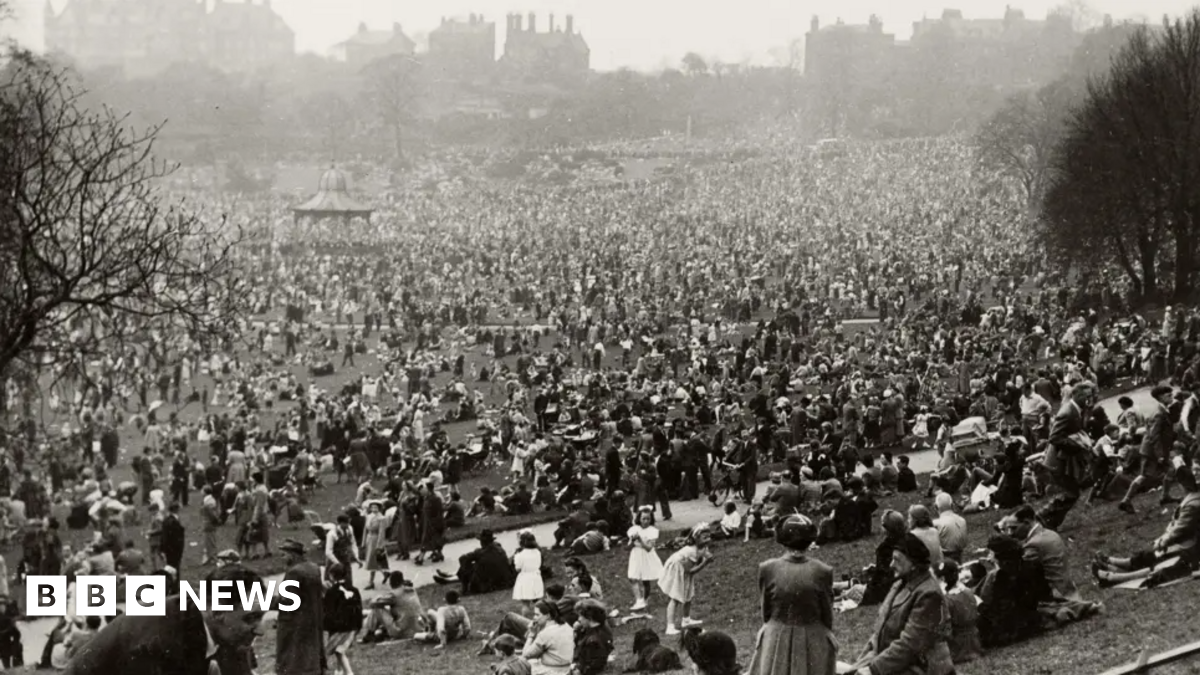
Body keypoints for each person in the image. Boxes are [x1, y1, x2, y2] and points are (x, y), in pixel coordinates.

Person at [63, 566, 266, 675]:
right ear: (217, 611)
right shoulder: (162, 642)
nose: (260, 630)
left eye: (261, 616)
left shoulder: (224, 630)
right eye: (251, 618)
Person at [849, 533, 955, 675]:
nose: (891, 564)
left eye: (897, 560)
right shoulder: (900, 583)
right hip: (893, 661)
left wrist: (874, 669)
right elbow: (879, 631)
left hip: (920, 667)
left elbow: (910, 644)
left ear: (913, 564)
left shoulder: (929, 594)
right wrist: (861, 663)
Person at [746, 514, 836, 675]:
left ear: (782, 539)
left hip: (776, 635)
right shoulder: (822, 570)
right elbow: (826, 613)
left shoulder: (768, 568)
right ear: (810, 540)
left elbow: (766, 610)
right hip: (813, 635)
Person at [1094, 456, 1200, 587]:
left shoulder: (1194, 501)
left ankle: (1115, 577)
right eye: (1193, 470)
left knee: (1161, 562)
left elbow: (1180, 529)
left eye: (1197, 470)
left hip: (1191, 548)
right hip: (1188, 543)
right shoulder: (1193, 495)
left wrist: (1164, 540)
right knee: (1153, 555)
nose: (1194, 474)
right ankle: (1116, 566)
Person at [1039, 380, 1097, 530]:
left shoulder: (1077, 409)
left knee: (1072, 491)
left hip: (1066, 459)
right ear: (1076, 395)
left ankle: (1049, 521)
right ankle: (1044, 516)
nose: (1088, 399)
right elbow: (1054, 438)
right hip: (1057, 460)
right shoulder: (1067, 412)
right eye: (1086, 396)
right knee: (1071, 492)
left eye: (1090, 396)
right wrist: (1077, 445)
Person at [1119, 384, 1179, 514]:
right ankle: (1126, 501)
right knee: (1144, 476)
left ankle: (1165, 497)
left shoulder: (1161, 409)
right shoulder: (1158, 413)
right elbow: (1154, 435)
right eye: (1169, 395)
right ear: (1161, 397)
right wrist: (1159, 455)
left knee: (1170, 469)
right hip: (1152, 450)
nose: (1172, 397)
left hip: (1157, 449)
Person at [275, 538, 326, 675]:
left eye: (283, 555)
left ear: (292, 555)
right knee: (310, 654)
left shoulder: (294, 572)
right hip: (312, 617)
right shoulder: (313, 568)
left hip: (295, 622)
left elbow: (288, 601)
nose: (282, 558)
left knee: (294, 659)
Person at [658, 524, 714, 636]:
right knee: (676, 597)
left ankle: (686, 620)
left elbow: (697, 560)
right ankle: (670, 626)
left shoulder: (703, 547)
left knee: (688, 593)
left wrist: (705, 557)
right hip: (677, 570)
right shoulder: (690, 551)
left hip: (685, 570)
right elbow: (691, 570)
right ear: (696, 538)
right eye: (704, 537)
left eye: (709, 536)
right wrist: (706, 562)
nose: (708, 539)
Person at [433, 529, 516, 595]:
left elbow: (463, 559)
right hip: (504, 581)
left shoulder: (480, 552)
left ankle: (461, 585)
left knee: (469, 565)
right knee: (476, 565)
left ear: (482, 542)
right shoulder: (499, 549)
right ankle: (450, 575)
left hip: (489, 583)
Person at [936, 561, 981, 665]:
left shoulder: (946, 600)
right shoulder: (968, 591)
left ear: (942, 579)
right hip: (975, 643)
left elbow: (945, 631)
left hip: (958, 649)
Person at [322, 563, 363, 675]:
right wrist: (358, 626)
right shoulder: (354, 590)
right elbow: (359, 609)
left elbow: (328, 612)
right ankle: (340, 670)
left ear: (331, 575)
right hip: (353, 626)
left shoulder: (331, 592)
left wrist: (326, 627)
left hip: (339, 628)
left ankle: (348, 672)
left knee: (332, 650)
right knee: (339, 649)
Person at [361, 571, 425, 643]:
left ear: (391, 583)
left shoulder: (394, 594)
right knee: (396, 609)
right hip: (418, 628)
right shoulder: (412, 590)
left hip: (402, 632)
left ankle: (369, 634)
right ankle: (380, 630)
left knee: (377, 609)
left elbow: (373, 604)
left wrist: (379, 596)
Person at [521, 601, 574, 675]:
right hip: (567, 668)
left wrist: (531, 634)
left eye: (537, 615)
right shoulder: (567, 626)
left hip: (551, 671)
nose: (534, 617)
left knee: (521, 663)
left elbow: (525, 654)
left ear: (548, 616)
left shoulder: (545, 633)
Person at [627, 508, 664, 611]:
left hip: (647, 556)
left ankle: (645, 600)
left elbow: (648, 548)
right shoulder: (634, 529)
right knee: (632, 577)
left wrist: (640, 540)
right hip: (636, 555)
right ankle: (639, 600)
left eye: (648, 519)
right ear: (639, 518)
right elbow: (628, 547)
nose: (646, 521)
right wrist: (632, 540)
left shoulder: (653, 531)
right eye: (643, 518)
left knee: (645, 580)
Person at [573, 601, 614, 675]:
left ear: (589, 617)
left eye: (581, 616)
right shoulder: (603, 628)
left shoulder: (593, 640)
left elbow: (590, 665)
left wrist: (576, 669)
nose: (579, 619)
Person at [513, 530, 546, 614]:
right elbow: (540, 564)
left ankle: (525, 619)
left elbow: (518, 569)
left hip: (525, 578)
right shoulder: (538, 552)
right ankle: (540, 616)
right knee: (538, 602)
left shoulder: (520, 555)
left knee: (525, 604)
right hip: (536, 577)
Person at [932, 493, 967, 563]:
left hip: (945, 556)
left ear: (935, 507)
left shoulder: (936, 524)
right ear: (952, 505)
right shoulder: (962, 520)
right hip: (959, 553)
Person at [906, 504, 943, 569]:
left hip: (926, 570)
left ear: (915, 520)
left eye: (909, 518)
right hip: (937, 567)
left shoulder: (913, 535)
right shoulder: (934, 531)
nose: (908, 520)